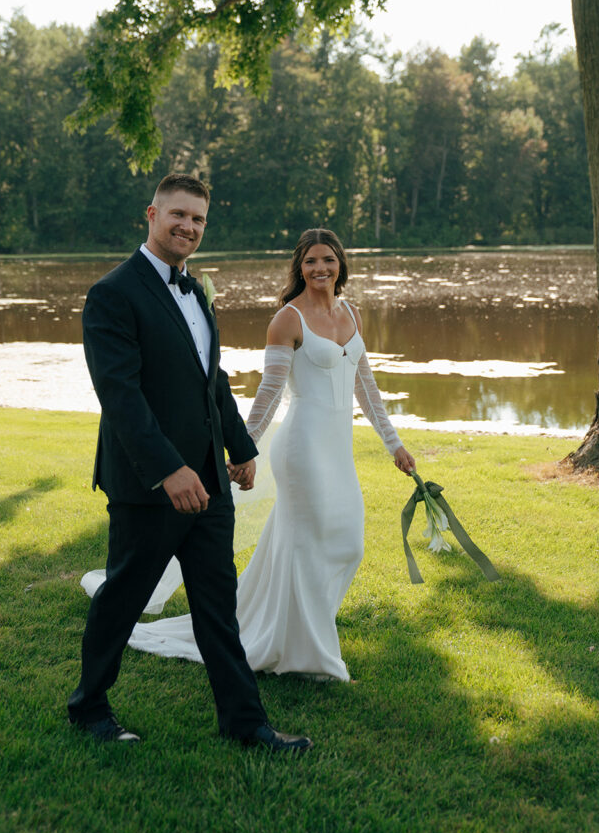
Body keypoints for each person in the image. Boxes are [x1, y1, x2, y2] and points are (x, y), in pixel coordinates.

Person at [68, 173, 312, 752]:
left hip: (209, 483)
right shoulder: (113, 293)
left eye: (198, 220)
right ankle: (88, 706)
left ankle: (245, 723)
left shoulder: (196, 290)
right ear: (151, 215)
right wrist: (167, 469)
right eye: (178, 215)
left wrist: (241, 447)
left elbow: (212, 381)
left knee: (216, 606)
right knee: (124, 596)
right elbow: (120, 395)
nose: (188, 227)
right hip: (148, 484)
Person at [127, 227, 415, 681]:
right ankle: (309, 654)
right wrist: (245, 448)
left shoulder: (353, 314)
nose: (320, 269)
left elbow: (368, 389)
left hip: (338, 451)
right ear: (299, 268)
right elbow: (269, 392)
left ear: (341, 264)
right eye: (311, 261)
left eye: (329, 260)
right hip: (301, 449)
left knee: (348, 543)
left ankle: (303, 630)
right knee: (306, 547)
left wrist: (394, 445)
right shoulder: (287, 319)